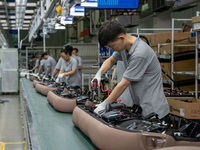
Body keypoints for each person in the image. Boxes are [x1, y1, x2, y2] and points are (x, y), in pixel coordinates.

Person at [92, 20, 169, 121]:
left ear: (121, 38)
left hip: (154, 112)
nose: (112, 49)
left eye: (112, 46)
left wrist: (105, 104)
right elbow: (111, 60)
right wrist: (99, 74)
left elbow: (124, 84)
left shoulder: (140, 53)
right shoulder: (125, 47)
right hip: (141, 107)